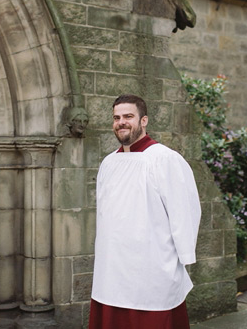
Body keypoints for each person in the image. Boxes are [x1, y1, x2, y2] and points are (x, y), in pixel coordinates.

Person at [89, 94, 201, 329]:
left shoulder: (165, 159)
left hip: (152, 265)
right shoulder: (108, 163)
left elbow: (185, 210)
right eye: (116, 117)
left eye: (128, 116)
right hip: (112, 268)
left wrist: (184, 255)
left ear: (143, 121)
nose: (121, 122)